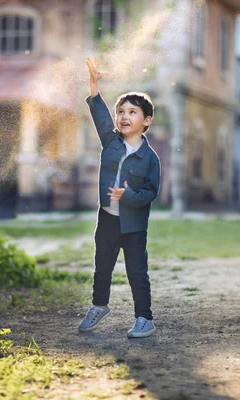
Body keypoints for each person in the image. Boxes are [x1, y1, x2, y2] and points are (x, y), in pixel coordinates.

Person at [78, 57, 161, 338]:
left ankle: (144, 319)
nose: (125, 117)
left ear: (146, 120)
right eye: (121, 112)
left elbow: (151, 192)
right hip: (108, 219)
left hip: (134, 225)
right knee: (102, 268)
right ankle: (99, 306)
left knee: (137, 273)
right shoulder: (111, 141)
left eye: (132, 112)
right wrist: (93, 85)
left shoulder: (150, 158)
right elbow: (99, 114)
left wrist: (129, 195)